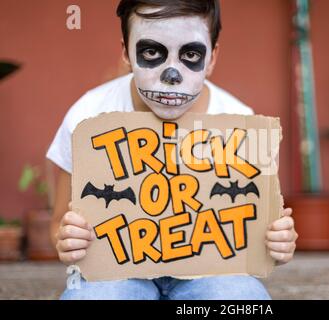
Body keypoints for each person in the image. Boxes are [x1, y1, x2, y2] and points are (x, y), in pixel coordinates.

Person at [47, 0, 298, 300]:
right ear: (127, 52)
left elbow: (259, 229)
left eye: (191, 54)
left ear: (213, 56)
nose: (172, 75)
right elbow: (58, 220)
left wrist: (278, 244)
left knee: (245, 299)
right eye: (151, 52)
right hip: (115, 272)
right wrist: (67, 239)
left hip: (212, 274)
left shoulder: (240, 126)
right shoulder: (88, 117)